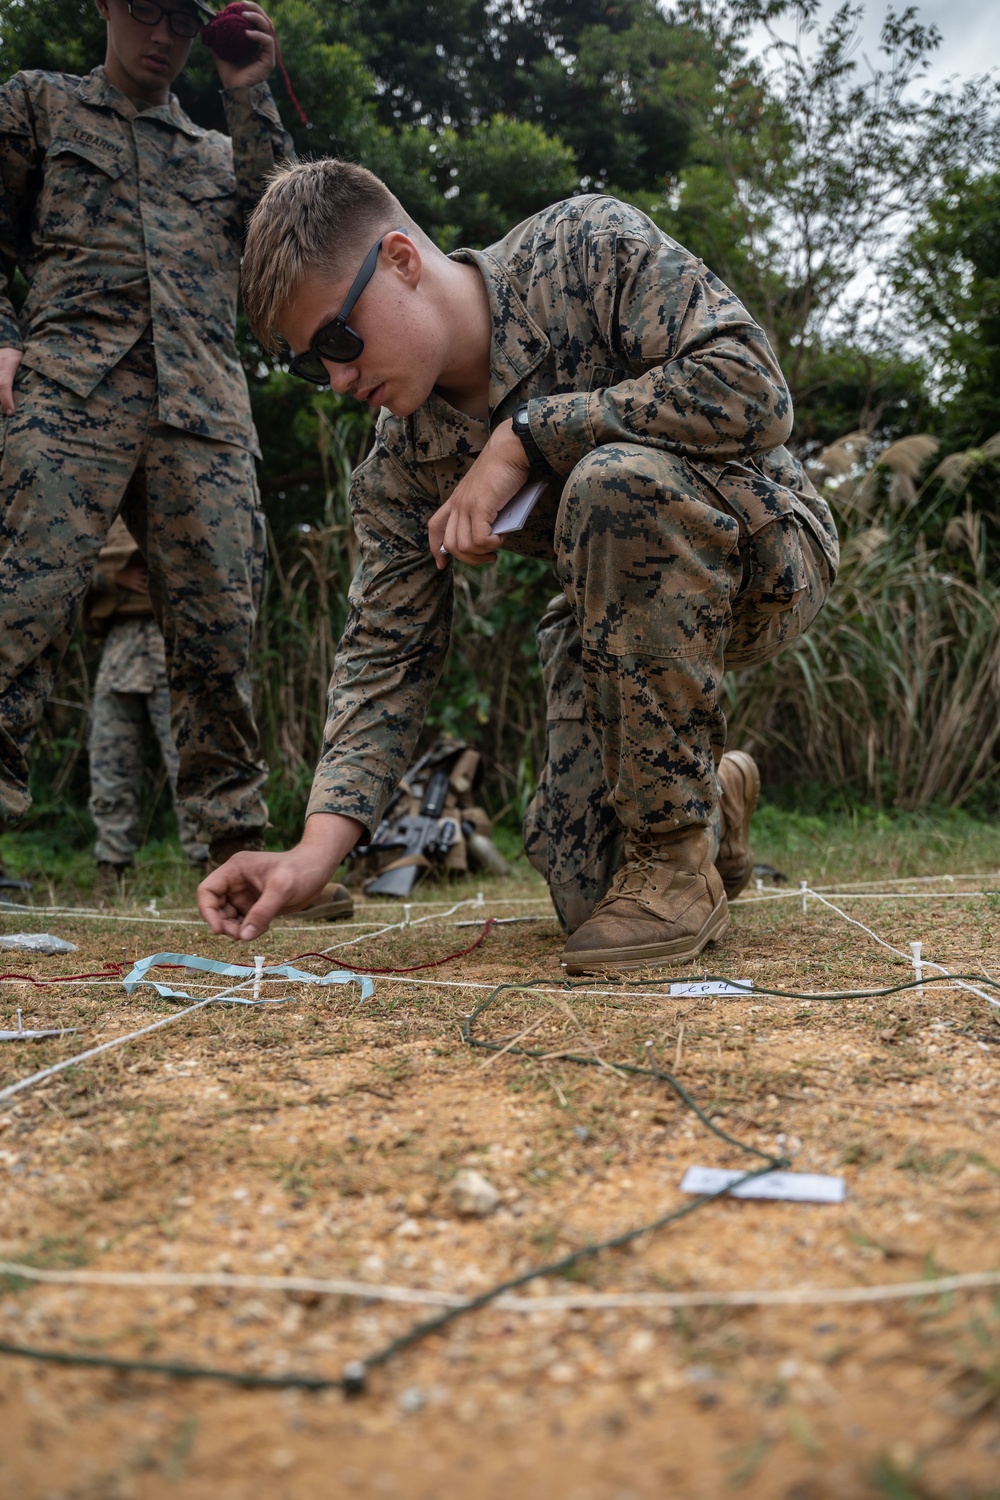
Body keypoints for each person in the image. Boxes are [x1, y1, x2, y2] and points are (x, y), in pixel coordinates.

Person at [199, 160, 839, 971]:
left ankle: (677, 856)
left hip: (764, 552)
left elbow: (754, 387)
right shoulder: (400, 465)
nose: (336, 378)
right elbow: (385, 655)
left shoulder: (584, 247)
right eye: (308, 363)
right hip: (608, 619)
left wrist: (531, 434)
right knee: (588, 891)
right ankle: (717, 800)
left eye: (337, 338)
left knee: (614, 485)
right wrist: (312, 852)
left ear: (400, 259)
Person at [0, 0, 291, 880]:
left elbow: (287, 243)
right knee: (19, 610)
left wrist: (248, 89)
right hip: (66, 393)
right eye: (144, 12)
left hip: (201, 413)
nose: (162, 35)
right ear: (104, 8)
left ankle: (236, 851)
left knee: (219, 635)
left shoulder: (216, 153)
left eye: (181, 21)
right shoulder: (37, 105)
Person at [85, 518, 208, 900]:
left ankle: (207, 867)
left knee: (188, 761)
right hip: (121, 646)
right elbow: (55, 571)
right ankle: (112, 868)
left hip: (174, 640)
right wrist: (112, 580)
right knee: (110, 761)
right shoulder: (102, 506)